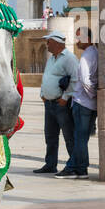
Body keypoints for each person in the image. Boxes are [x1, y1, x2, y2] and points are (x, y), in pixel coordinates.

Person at [33, 31, 79, 174]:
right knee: (50, 136)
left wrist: (65, 98)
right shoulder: (52, 59)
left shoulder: (69, 58)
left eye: (49, 42)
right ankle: (50, 164)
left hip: (61, 105)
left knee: (69, 136)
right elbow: (47, 76)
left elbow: (75, 79)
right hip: (49, 104)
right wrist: (43, 94)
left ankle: (74, 165)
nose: (47, 45)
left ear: (58, 43)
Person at [59, 27, 98, 178]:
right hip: (89, 102)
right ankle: (80, 169)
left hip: (83, 102)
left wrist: (91, 95)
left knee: (80, 138)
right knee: (82, 138)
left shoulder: (86, 57)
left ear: (87, 39)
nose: (76, 42)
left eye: (78, 38)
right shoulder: (95, 53)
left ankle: (74, 167)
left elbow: (85, 79)